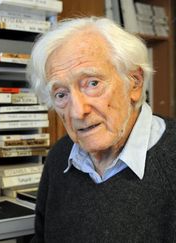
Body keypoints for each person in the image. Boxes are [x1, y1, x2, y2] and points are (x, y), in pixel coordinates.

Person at [27, 17, 176, 242]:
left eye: (92, 83)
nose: (78, 112)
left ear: (134, 82)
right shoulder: (59, 157)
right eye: (61, 94)